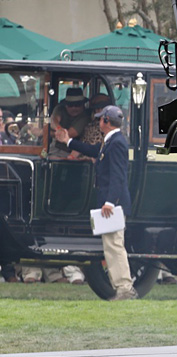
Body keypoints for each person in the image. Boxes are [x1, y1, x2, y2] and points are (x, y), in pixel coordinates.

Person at [55, 105, 136, 300]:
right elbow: (92, 149)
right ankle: (123, 287)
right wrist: (69, 141)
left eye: (101, 119)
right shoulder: (111, 141)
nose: (98, 121)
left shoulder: (115, 143)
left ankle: (125, 288)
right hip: (111, 202)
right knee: (112, 245)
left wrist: (110, 202)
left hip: (112, 204)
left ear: (106, 121)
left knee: (114, 245)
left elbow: (118, 176)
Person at [48, 88, 91, 159]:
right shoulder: (60, 109)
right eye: (70, 105)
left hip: (71, 151)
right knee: (42, 156)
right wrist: (59, 129)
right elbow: (53, 120)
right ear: (65, 105)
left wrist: (45, 132)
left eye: (77, 105)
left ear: (83, 105)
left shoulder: (85, 117)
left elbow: (69, 134)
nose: (74, 108)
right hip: (53, 147)